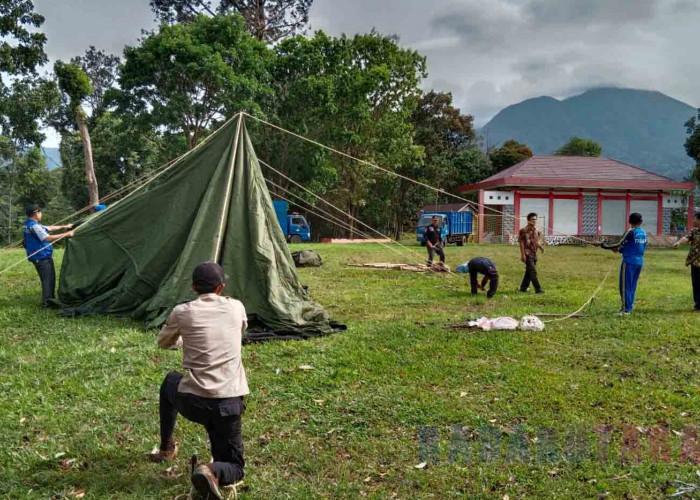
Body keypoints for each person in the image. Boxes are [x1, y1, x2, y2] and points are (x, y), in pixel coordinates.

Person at [153, 261, 248, 499]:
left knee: (170, 381)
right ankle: (211, 470)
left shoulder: (182, 312)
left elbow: (164, 342)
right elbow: (240, 331)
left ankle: (166, 447)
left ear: (193, 287)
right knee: (235, 468)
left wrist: (183, 341)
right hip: (229, 404)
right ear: (221, 287)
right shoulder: (237, 307)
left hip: (194, 402)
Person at [23, 205, 74, 307]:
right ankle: (48, 303)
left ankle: (50, 300)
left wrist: (64, 226)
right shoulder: (34, 226)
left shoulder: (32, 224)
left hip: (42, 257)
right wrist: (67, 234)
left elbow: (49, 228)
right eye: (40, 212)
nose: (41, 214)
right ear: (36, 213)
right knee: (48, 280)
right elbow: (47, 238)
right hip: (41, 257)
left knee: (49, 278)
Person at [600, 212, 647, 315]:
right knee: (632, 286)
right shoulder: (643, 233)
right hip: (639, 262)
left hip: (629, 262)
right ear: (641, 222)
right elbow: (635, 246)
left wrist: (603, 245)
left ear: (629, 221)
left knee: (625, 286)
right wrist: (620, 250)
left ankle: (626, 310)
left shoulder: (630, 232)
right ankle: (629, 306)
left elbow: (618, 243)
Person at [673, 212, 700, 311]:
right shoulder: (694, 231)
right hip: (694, 261)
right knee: (696, 283)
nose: (693, 220)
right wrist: (678, 243)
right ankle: (698, 304)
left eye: (695, 218)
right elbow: (687, 238)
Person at [518, 212, 545, 294]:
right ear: (528, 220)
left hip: (534, 253)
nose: (534, 221)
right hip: (527, 253)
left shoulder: (537, 231)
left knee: (529, 272)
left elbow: (537, 242)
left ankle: (523, 288)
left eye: (535, 220)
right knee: (533, 271)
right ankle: (538, 289)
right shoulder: (523, 230)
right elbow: (521, 243)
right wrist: (522, 255)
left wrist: (540, 247)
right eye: (532, 219)